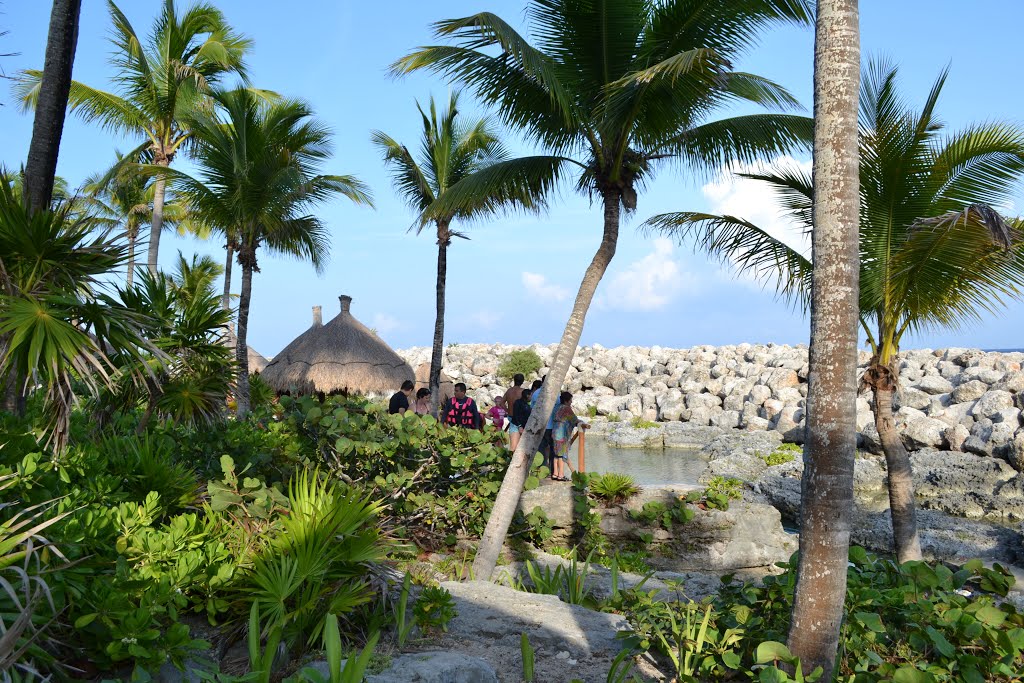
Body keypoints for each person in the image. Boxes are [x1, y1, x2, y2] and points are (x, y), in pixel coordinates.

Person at [551, 391, 588, 481]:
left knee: (556, 454)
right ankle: (561, 475)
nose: (571, 402)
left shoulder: (556, 407)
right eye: (570, 400)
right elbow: (574, 420)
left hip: (554, 432)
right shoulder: (566, 408)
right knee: (562, 455)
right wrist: (582, 422)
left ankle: (555, 474)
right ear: (566, 401)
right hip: (562, 434)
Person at [509, 387, 532, 452]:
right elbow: (516, 414)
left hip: (522, 427)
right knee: (513, 448)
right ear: (527, 395)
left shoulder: (527, 405)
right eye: (531, 395)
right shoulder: (518, 402)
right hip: (516, 426)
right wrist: (519, 426)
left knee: (520, 449)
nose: (531, 397)